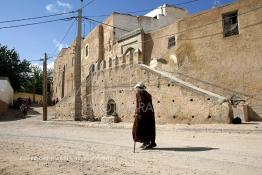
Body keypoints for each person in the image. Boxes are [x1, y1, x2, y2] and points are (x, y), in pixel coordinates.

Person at [132, 82, 157, 149]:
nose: (136, 89)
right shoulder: (147, 93)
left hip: (143, 114)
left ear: (138, 87)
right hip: (149, 113)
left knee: (140, 128)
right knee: (150, 128)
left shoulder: (139, 92)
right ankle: (151, 142)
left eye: (136, 88)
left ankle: (146, 142)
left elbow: (141, 102)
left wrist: (138, 112)